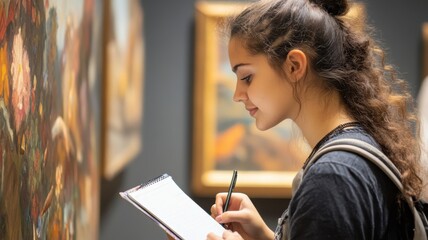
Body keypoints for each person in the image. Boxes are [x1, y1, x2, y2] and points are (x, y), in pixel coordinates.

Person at [206, 0, 425, 239]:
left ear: (294, 66)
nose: (237, 95)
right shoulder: (354, 152)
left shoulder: (333, 178)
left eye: (246, 77)